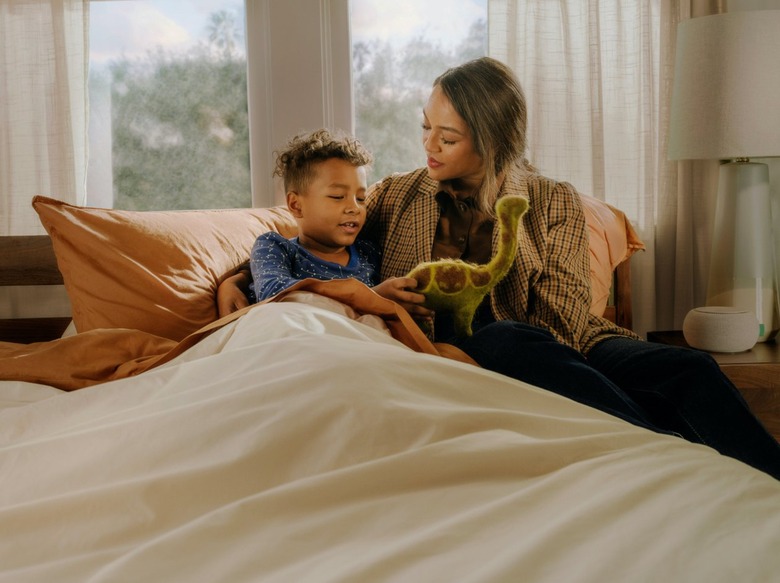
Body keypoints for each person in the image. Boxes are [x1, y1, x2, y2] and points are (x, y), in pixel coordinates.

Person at [219, 57, 780, 480]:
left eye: (449, 136)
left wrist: (579, 375)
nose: (428, 146)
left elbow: (563, 314)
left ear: (491, 140)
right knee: (507, 338)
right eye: (425, 128)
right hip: (453, 347)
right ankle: (667, 453)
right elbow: (313, 246)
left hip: (568, 344)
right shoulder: (395, 194)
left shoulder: (551, 199)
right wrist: (233, 283)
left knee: (690, 372)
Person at [245, 128, 416, 305]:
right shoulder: (275, 247)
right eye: (337, 196)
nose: (354, 208)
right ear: (296, 205)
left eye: (361, 198)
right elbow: (273, 292)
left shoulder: (370, 253)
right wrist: (370, 296)